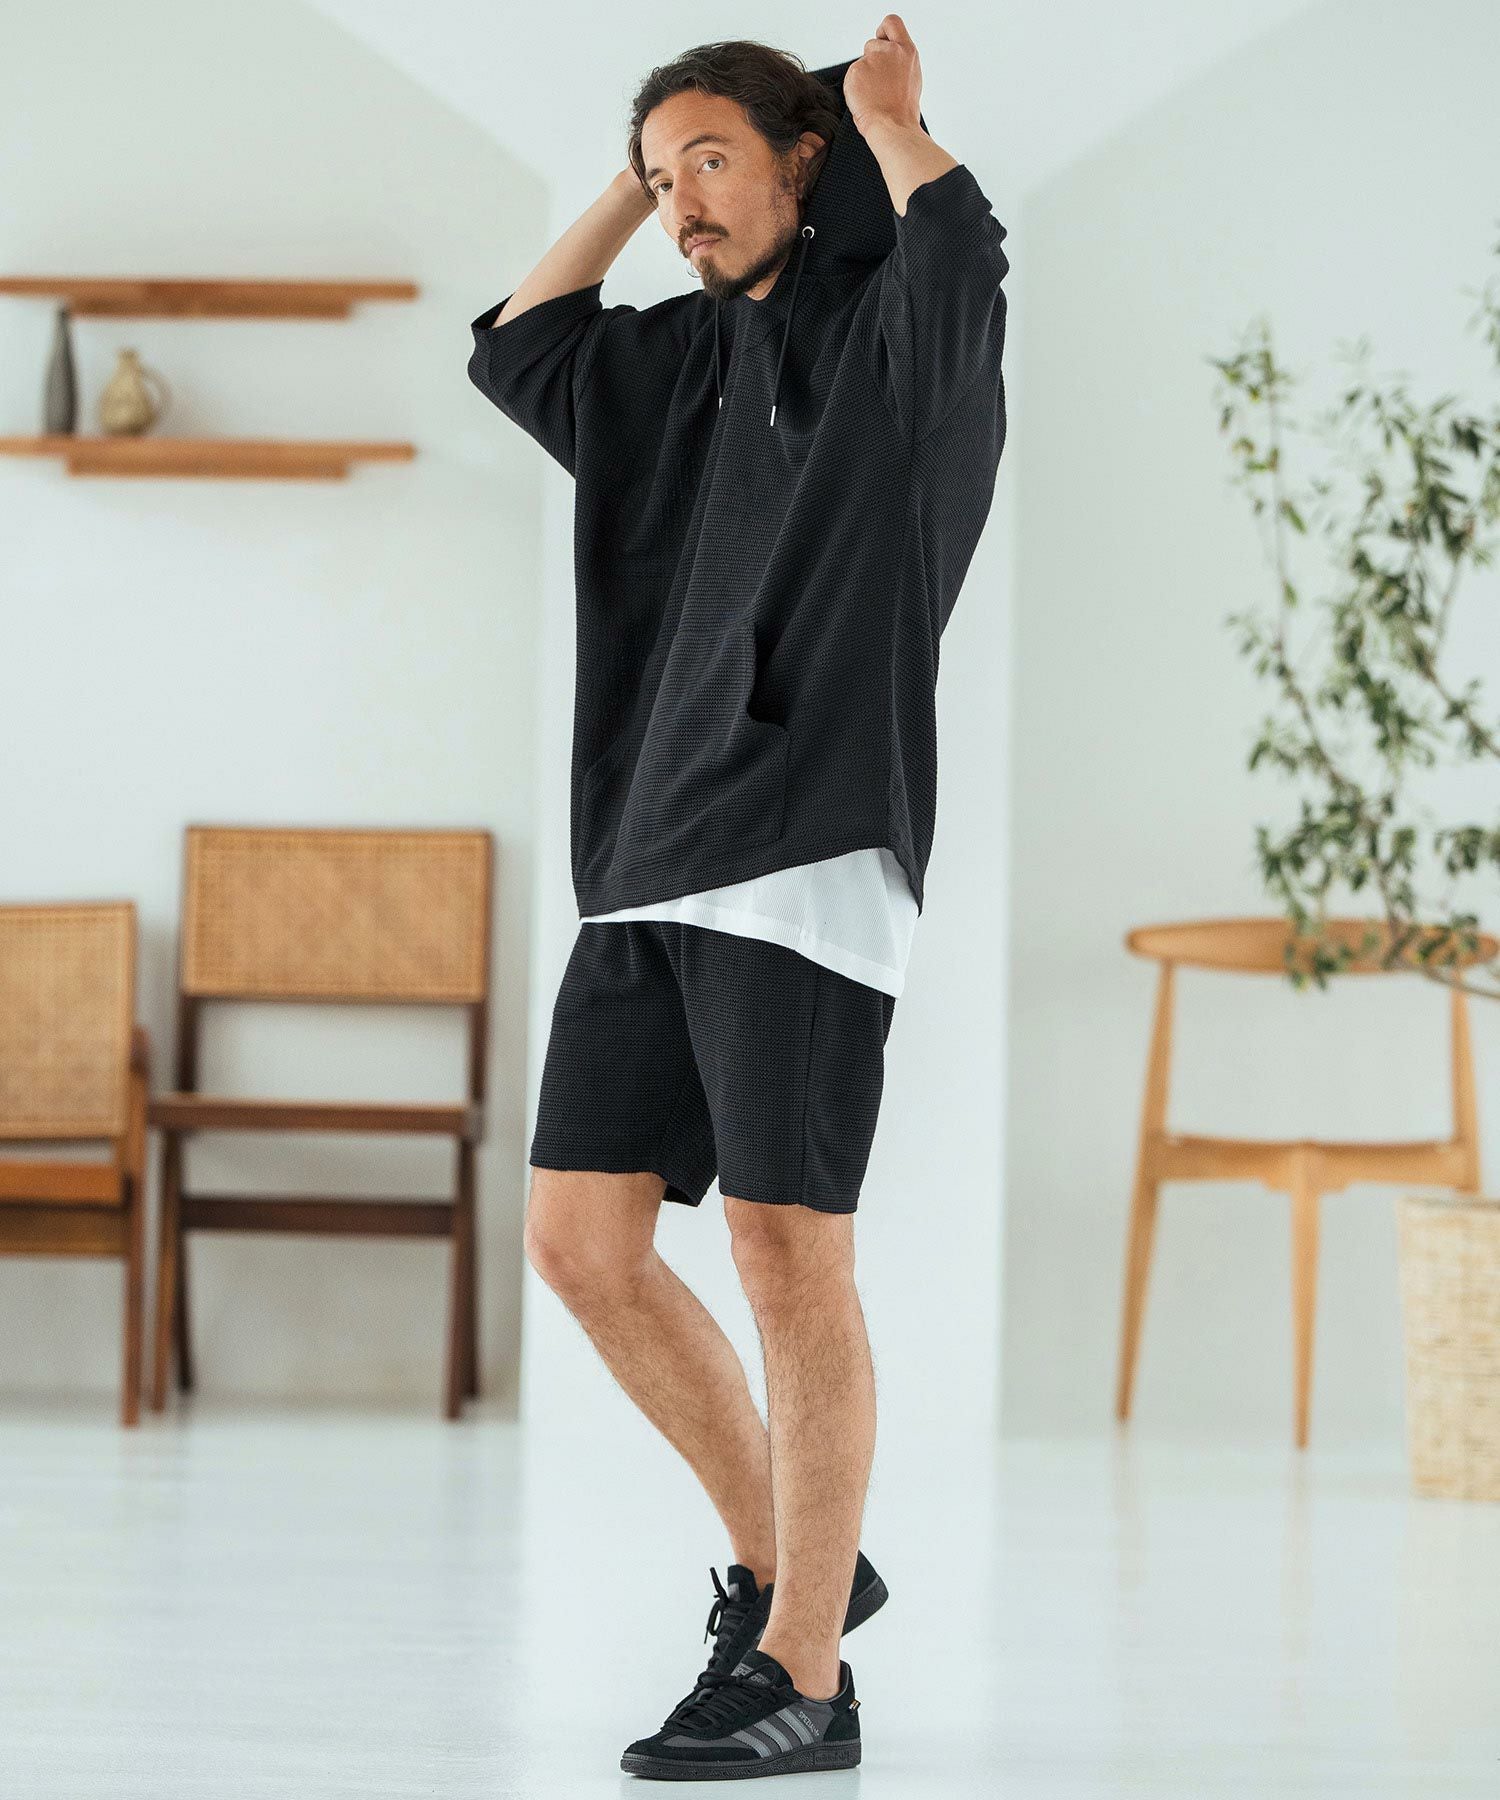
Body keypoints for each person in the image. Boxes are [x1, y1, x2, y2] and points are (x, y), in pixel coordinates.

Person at [467, 17, 1009, 1781]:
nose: (681, 198)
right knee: (580, 1239)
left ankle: (806, 1679)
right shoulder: (681, 359)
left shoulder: (889, 335)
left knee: (786, 1253)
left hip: (808, 841)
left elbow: (966, 254)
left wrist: (889, 125)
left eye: (713, 159)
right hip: (651, 848)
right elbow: (521, 341)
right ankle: (798, 1572)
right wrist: (644, 196)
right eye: (659, 171)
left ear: (803, 164)